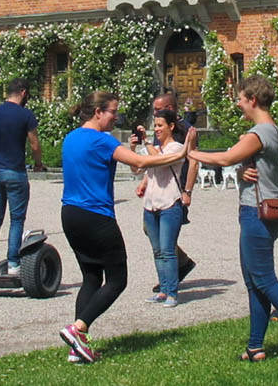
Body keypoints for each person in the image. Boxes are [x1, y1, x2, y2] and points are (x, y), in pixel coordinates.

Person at [187, 76, 278, 363]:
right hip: (263, 210)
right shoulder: (267, 131)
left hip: (257, 213)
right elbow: (250, 166)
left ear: (252, 99)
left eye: (240, 98)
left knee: (264, 280)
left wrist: (189, 152)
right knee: (254, 281)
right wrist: (243, 172)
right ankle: (255, 347)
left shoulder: (260, 132)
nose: (238, 103)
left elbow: (226, 159)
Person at [59, 91, 193, 364]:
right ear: (98, 112)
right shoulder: (102, 140)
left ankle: (77, 346)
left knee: (91, 278)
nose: (116, 116)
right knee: (118, 279)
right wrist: (182, 154)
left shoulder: (71, 138)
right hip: (96, 216)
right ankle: (78, 328)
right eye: (112, 111)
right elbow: (140, 163)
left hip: (69, 214)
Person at [132, 93, 198, 290]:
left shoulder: (184, 130)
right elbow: (155, 160)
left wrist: (188, 190)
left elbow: (192, 161)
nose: (155, 115)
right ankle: (178, 266)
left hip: (175, 187)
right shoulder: (161, 126)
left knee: (166, 238)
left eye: (157, 110)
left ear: (169, 109)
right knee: (154, 232)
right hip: (157, 187)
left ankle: (170, 278)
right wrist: (146, 179)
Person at [0, 78, 45, 276]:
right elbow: (34, 144)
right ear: (24, 93)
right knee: (16, 219)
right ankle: (13, 263)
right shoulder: (25, 115)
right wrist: (38, 164)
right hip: (14, 171)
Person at [134, 109, 186, 308]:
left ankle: (172, 292)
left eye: (160, 126)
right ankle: (163, 290)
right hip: (150, 204)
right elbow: (136, 168)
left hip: (170, 203)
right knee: (157, 251)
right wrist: (132, 148)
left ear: (171, 127)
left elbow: (160, 161)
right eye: (154, 126)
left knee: (167, 249)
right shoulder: (151, 147)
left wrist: (146, 143)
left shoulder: (177, 148)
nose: (156, 129)